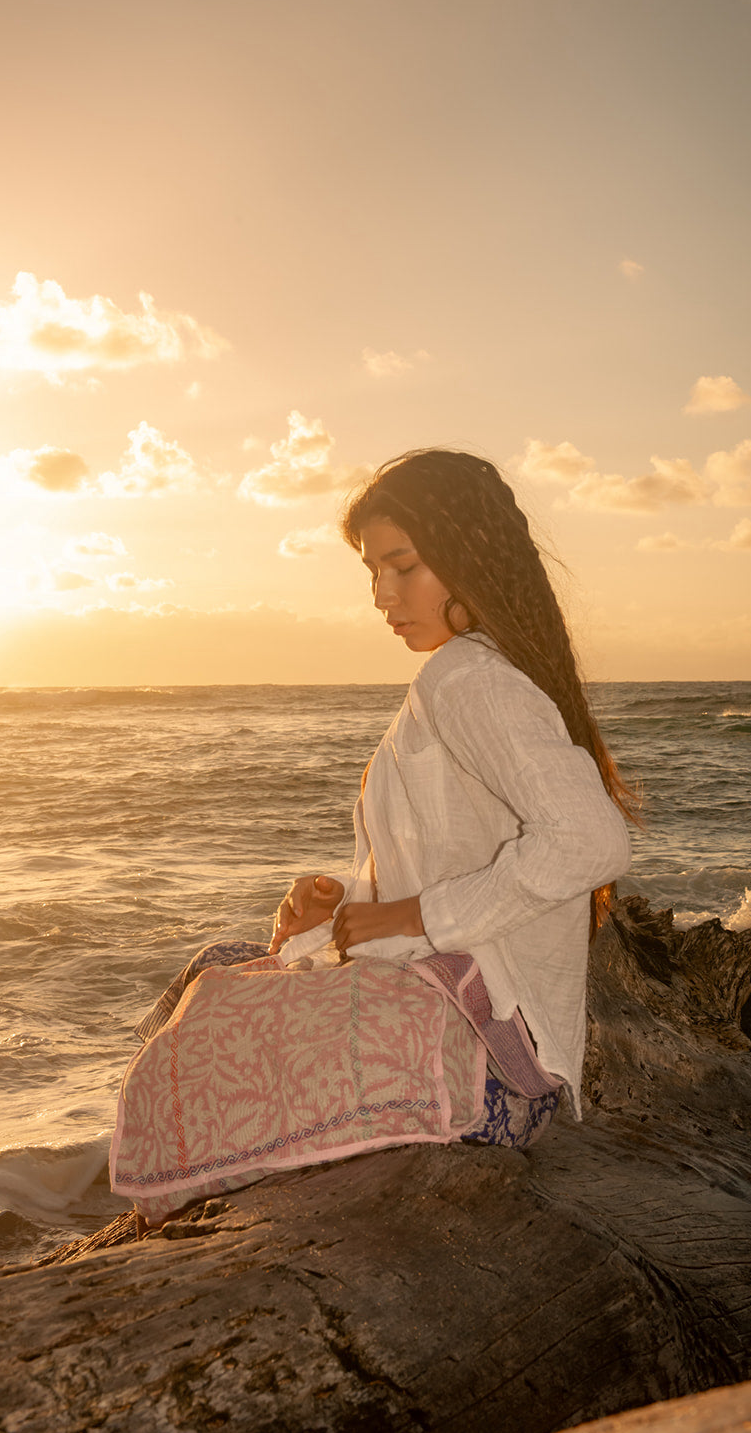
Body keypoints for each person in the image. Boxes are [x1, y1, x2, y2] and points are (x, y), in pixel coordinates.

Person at [111, 449, 635, 1226]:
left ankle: (159, 1222)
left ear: (470, 560)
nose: (383, 596)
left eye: (404, 567)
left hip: (480, 1070)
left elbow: (589, 843)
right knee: (220, 968)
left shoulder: (467, 678)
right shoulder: (483, 670)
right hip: (503, 1067)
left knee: (208, 1004)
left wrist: (410, 916)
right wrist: (348, 900)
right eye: (372, 574)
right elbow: (463, 858)